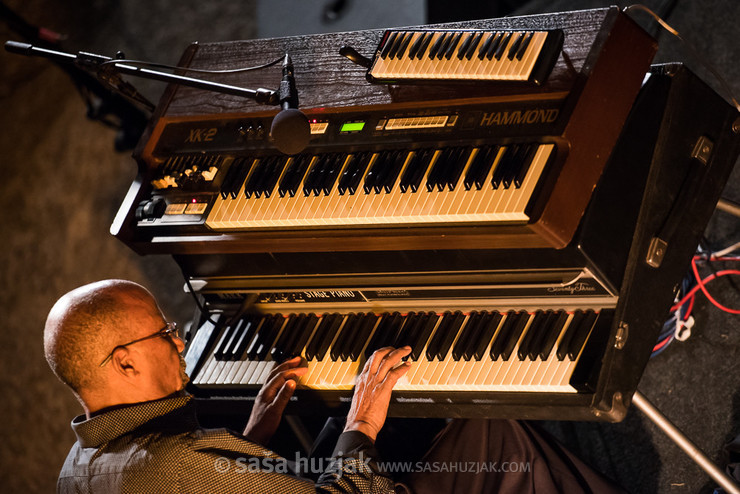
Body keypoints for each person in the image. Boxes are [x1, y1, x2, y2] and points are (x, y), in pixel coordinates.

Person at [45, 279, 626, 493]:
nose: (178, 343)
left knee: (330, 430)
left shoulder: (76, 471)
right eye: (165, 333)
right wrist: (363, 422)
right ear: (123, 363)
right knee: (486, 432)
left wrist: (252, 439)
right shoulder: (176, 464)